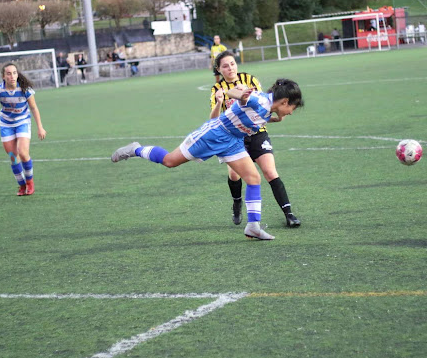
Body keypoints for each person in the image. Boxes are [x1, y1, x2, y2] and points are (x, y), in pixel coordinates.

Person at [111, 79, 304, 240]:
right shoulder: (259, 100)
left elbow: (254, 116)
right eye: (293, 108)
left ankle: (253, 227)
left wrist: (273, 118)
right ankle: (135, 149)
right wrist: (241, 95)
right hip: (214, 135)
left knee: (254, 178)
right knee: (170, 161)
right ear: (285, 101)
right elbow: (234, 93)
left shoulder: (267, 109)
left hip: (233, 142)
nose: (292, 112)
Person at [210, 51, 302, 228]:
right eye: (225, 66)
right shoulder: (217, 89)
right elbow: (214, 119)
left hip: (258, 132)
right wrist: (219, 100)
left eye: (232, 64)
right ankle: (237, 203)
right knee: (234, 174)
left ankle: (289, 214)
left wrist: (275, 117)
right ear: (219, 70)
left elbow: (262, 107)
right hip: (236, 137)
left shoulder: (250, 80)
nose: (230, 68)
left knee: (269, 171)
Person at [0, 63, 47, 195]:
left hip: (22, 122)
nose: (12, 76)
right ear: (4, 77)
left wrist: (40, 127)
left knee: (23, 153)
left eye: (14, 73)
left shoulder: (25, 89)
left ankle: (29, 183)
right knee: (13, 157)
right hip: (6, 124)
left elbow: (33, 107)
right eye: (8, 74)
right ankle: (21, 185)